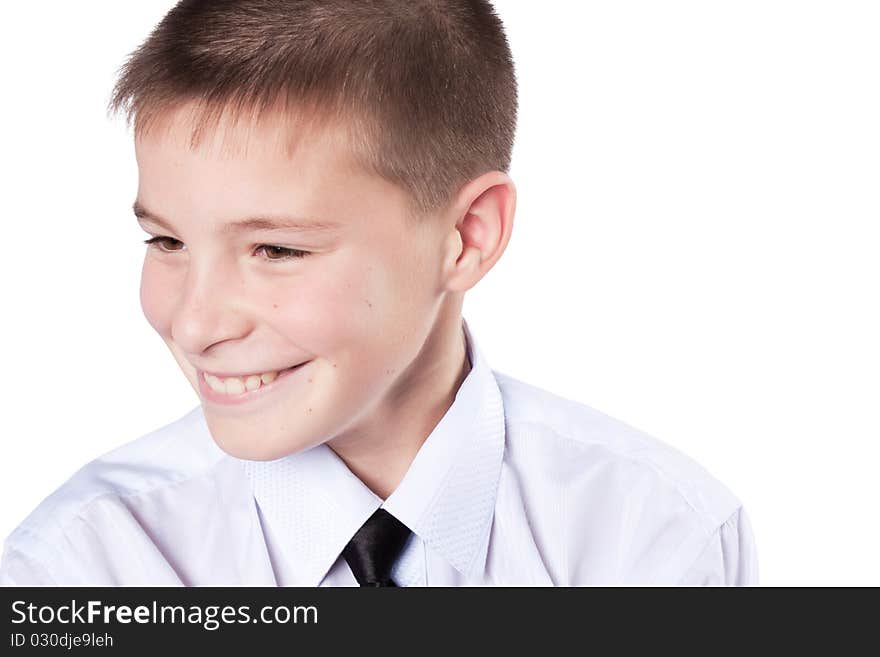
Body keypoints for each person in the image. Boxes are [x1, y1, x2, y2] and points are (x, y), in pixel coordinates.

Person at [0, 0, 757, 586]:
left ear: (466, 237)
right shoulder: (86, 565)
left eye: (275, 249)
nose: (194, 323)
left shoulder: (652, 536)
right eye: (166, 241)